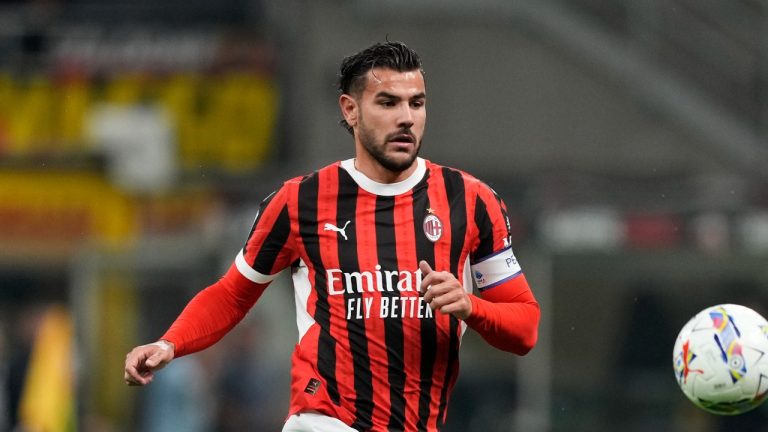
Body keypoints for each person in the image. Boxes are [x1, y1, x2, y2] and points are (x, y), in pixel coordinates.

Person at [124, 41, 540, 432]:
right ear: (351, 109)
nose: (406, 118)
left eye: (417, 103)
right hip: (325, 420)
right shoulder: (300, 201)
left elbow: (525, 329)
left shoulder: (471, 201)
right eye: (388, 102)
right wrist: (170, 343)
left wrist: (471, 306)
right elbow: (233, 294)